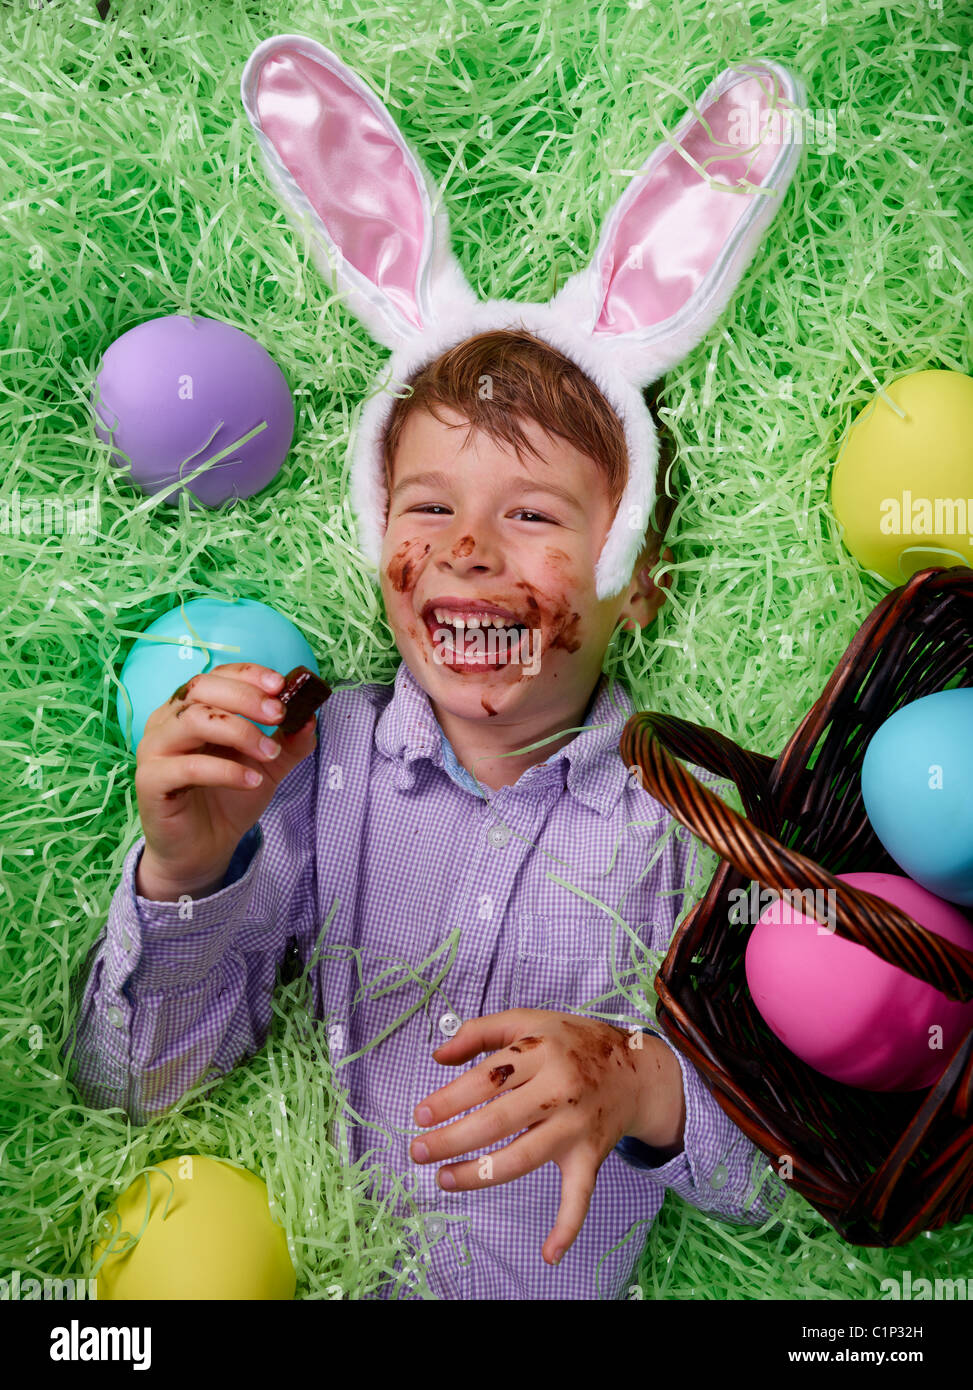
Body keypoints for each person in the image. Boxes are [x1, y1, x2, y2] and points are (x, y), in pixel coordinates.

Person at [63, 329, 787, 1299]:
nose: (465, 547)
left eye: (532, 513)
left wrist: (640, 1083)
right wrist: (188, 877)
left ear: (641, 579)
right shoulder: (311, 767)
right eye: (429, 506)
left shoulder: (692, 829)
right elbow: (139, 1089)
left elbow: (781, 1179)